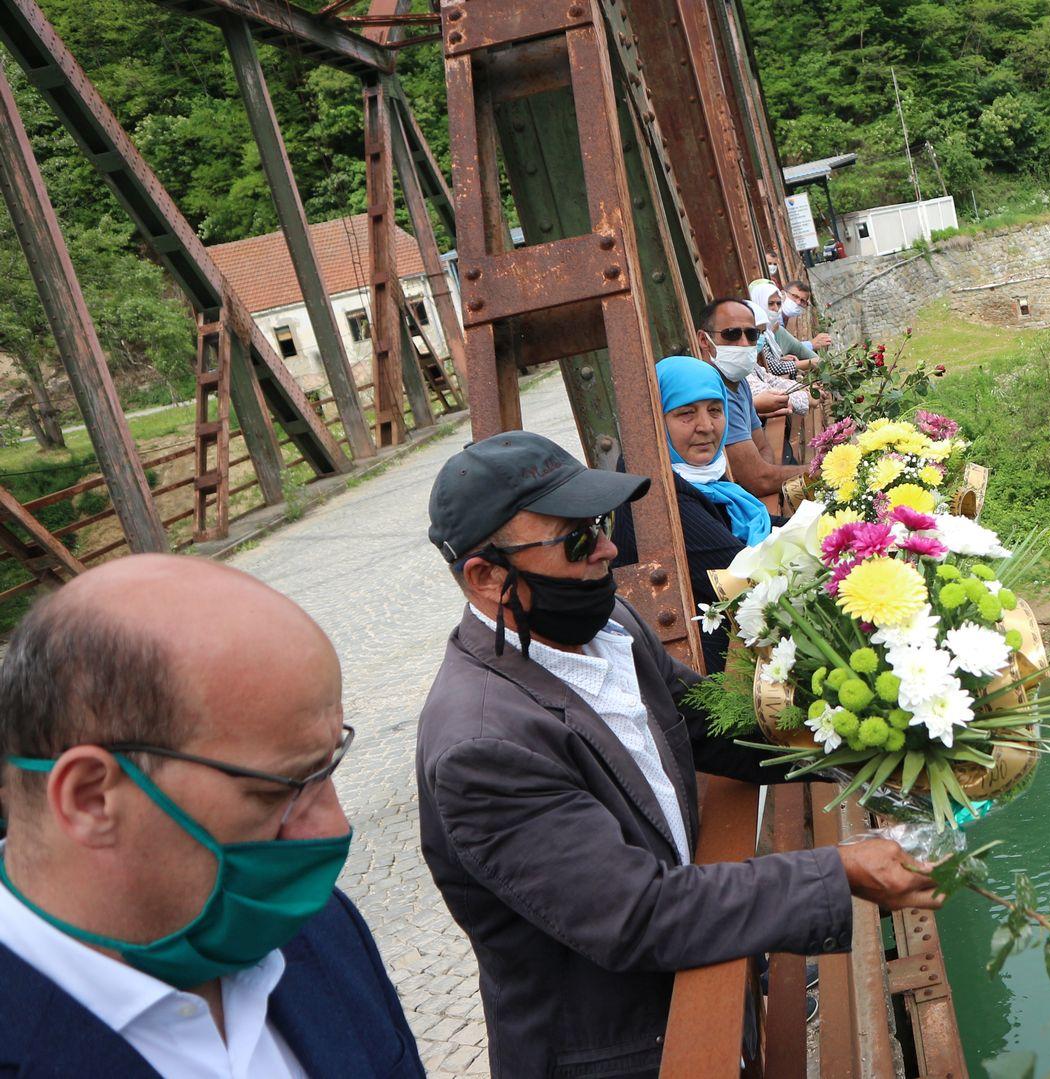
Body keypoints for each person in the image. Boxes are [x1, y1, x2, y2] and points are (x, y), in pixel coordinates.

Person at [416, 431, 940, 1078]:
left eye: (600, 524)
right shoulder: (484, 746)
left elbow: (715, 728)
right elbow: (637, 912)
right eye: (577, 539)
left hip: (703, 991)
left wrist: (872, 744)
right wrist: (838, 872)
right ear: (487, 575)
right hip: (632, 1054)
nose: (608, 549)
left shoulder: (607, 630)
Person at [0, 554, 424, 1078]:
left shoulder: (314, 926)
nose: (333, 828)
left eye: (328, 765)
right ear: (91, 798)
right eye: (274, 793)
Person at [643, 355, 774, 673]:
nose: (706, 426)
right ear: (655, 419)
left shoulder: (698, 475)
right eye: (686, 414)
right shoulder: (660, 491)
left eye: (715, 410)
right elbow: (739, 571)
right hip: (706, 680)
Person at [698, 296, 805, 496]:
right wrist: (820, 470)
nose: (744, 343)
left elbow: (763, 447)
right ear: (704, 340)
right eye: (731, 334)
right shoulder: (712, 394)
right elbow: (759, 479)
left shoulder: (740, 383)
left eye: (752, 334)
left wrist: (760, 467)